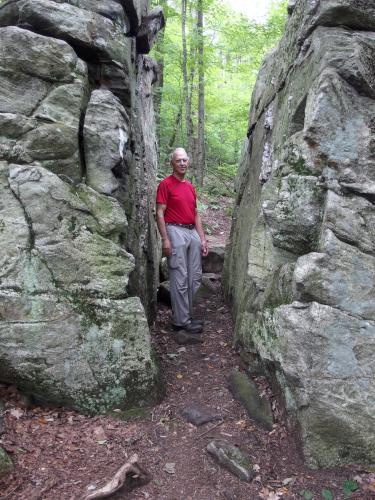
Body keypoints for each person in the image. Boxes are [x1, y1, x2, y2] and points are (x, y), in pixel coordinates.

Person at [156, 148, 208, 333]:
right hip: (174, 230)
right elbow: (160, 213)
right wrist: (165, 239)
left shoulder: (190, 187)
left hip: (191, 231)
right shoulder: (165, 184)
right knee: (179, 277)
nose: (182, 163)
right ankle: (181, 322)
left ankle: (187, 315)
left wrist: (202, 239)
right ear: (172, 163)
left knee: (194, 277)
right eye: (179, 160)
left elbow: (195, 214)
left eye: (185, 160)